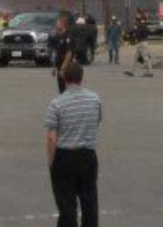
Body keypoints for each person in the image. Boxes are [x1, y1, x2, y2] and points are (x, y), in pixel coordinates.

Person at [45, 60, 102, 227]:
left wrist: (51, 161)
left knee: (66, 204)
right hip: (88, 155)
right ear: (81, 78)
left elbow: (51, 137)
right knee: (89, 200)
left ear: (64, 78)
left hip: (65, 156)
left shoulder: (57, 103)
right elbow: (96, 121)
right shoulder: (95, 99)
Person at [48, 13, 74, 94]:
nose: (56, 24)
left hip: (66, 67)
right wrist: (54, 67)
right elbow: (57, 53)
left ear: (63, 24)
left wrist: (63, 68)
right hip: (59, 66)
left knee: (67, 89)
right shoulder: (59, 36)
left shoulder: (68, 36)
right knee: (61, 89)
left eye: (58, 22)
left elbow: (69, 53)